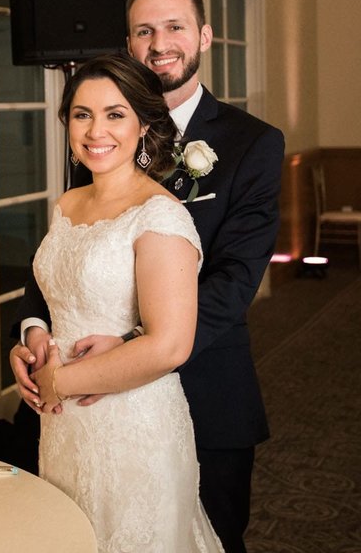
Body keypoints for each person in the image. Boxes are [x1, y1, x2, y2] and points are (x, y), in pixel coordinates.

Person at [11, 0, 285, 553]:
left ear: (204, 36)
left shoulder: (252, 142)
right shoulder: (98, 130)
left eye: (174, 27)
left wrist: (136, 342)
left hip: (199, 392)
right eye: (144, 31)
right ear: (130, 43)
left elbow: (237, 278)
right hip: (74, 412)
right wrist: (33, 332)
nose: (160, 43)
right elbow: (66, 253)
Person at [19, 52, 222, 552]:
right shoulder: (67, 204)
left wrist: (60, 381)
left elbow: (170, 345)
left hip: (132, 428)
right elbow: (57, 297)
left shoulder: (160, 214)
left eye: (115, 114)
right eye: (83, 114)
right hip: (64, 427)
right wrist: (34, 339)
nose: (95, 131)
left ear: (145, 123)